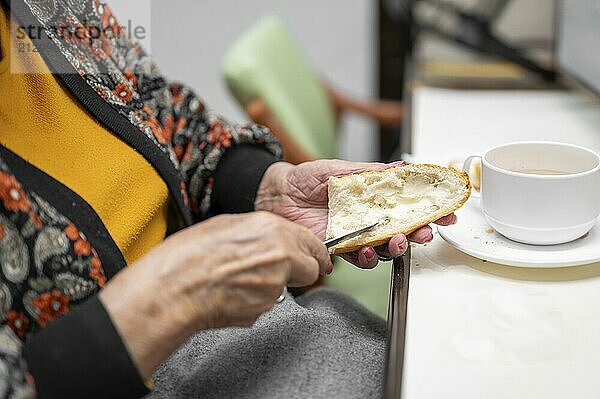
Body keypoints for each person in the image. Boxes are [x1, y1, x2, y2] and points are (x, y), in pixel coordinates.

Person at [0, 1, 456, 398]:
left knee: (432, 354)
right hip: (136, 370)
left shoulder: (50, 9)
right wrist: (165, 301)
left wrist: (265, 186)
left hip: (248, 327)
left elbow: (162, 111)